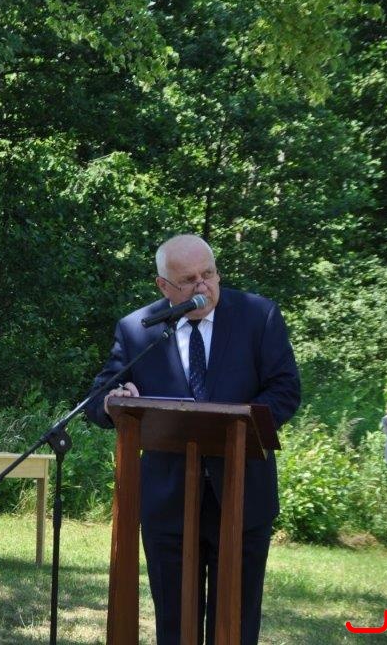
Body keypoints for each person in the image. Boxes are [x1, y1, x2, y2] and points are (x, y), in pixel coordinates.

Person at [85, 234, 300, 645]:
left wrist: (239, 426)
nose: (203, 286)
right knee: (174, 626)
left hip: (242, 496)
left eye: (209, 274)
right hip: (167, 501)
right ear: (163, 286)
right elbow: (99, 399)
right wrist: (115, 401)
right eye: (188, 280)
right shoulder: (138, 329)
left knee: (235, 626)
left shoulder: (258, 316)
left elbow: (285, 390)